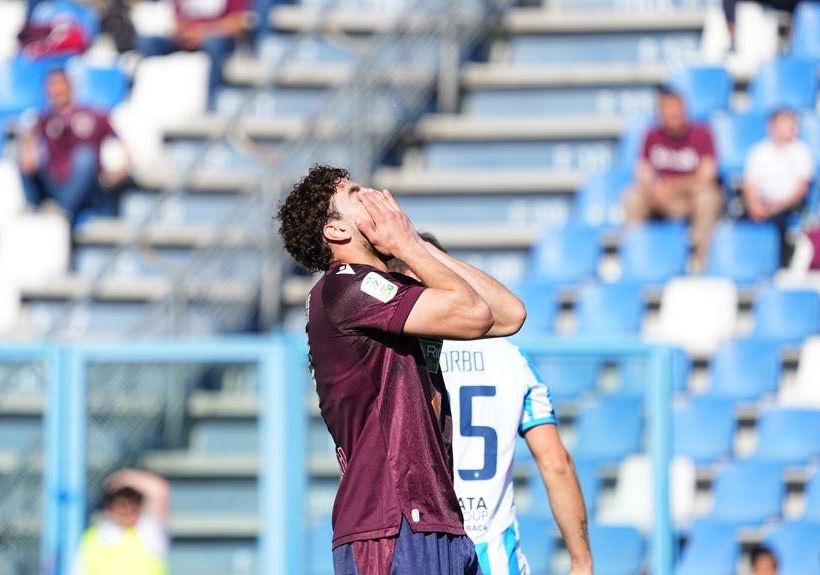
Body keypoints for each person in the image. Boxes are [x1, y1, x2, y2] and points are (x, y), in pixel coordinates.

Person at [276, 165, 526, 575]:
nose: (377, 195)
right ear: (337, 232)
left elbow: (508, 314)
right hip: (391, 522)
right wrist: (408, 244)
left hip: (437, 518)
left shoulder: (385, 290)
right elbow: (473, 314)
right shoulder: (345, 288)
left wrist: (415, 248)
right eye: (357, 194)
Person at [389, 235, 593, 575]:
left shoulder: (395, 359)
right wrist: (581, 561)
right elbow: (556, 462)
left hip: (421, 548)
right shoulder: (512, 359)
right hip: (495, 553)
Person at [623, 89, 722, 269]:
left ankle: (702, 261)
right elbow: (642, 170)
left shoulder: (703, 135)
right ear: (660, 113)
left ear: (685, 109)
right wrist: (654, 187)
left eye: (677, 108)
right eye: (668, 109)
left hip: (688, 197)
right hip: (659, 197)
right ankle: (636, 260)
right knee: (632, 197)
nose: (673, 113)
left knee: (709, 197)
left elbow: (707, 175)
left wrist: (672, 186)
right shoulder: (651, 136)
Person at [20, 69, 130, 223]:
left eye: (60, 84)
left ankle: (63, 211)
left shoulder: (93, 115)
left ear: (70, 86)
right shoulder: (43, 120)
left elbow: (121, 143)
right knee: (19, 156)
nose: (57, 90)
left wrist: (122, 167)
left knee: (84, 156)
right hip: (54, 185)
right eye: (52, 86)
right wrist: (28, 150)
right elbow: (28, 148)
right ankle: (38, 210)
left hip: (89, 189)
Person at [743, 108, 815, 265]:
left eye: (794, 123)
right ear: (771, 126)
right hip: (762, 203)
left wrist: (776, 207)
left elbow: (801, 189)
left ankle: (779, 265)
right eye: (786, 123)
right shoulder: (758, 151)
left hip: (789, 206)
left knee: (779, 222)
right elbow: (750, 185)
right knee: (742, 221)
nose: (792, 127)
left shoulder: (801, 151)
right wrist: (754, 205)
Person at [139, 0, 250, 99]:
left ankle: (211, 100)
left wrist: (202, 33)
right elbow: (178, 18)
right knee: (149, 43)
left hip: (216, 38)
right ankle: (149, 97)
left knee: (215, 44)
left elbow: (237, 23)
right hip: (187, 37)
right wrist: (185, 33)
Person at [74, 468, 170, 575]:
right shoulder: (91, 538)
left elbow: (158, 490)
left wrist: (123, 477)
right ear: (109, 506)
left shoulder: (149, 533)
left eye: (132, 502)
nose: (127, 508)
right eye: (121, 503)